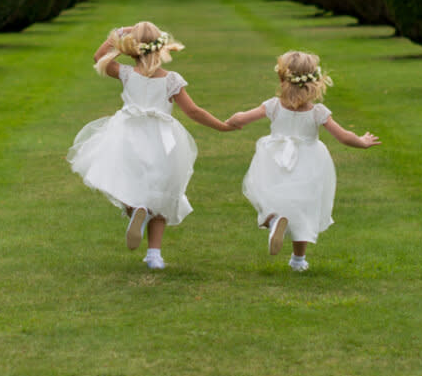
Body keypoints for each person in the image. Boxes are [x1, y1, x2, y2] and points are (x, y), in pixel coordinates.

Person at [68, 21, 233, 270]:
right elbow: (194, 111)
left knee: (125, 181)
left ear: (132, 49)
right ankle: (154, 254)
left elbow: (98, 56)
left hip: (127, 133)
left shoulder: (126, 73)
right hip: (162, 139)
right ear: (162, 46)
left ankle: (136, 209)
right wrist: (221, 125)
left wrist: (122, 32)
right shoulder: (171, 80)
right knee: (162, 193)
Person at [226, 51, 380, 271]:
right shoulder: (318, 112)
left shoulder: (274, 105)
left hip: (275, 158)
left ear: (282, 78)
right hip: (309, 162)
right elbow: (344, 136)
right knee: (303, 209)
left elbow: (243, 117)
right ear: (314, 80)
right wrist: (362, 141)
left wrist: (233, 120)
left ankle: (272, 221)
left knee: (265, 193)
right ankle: (298, 260)